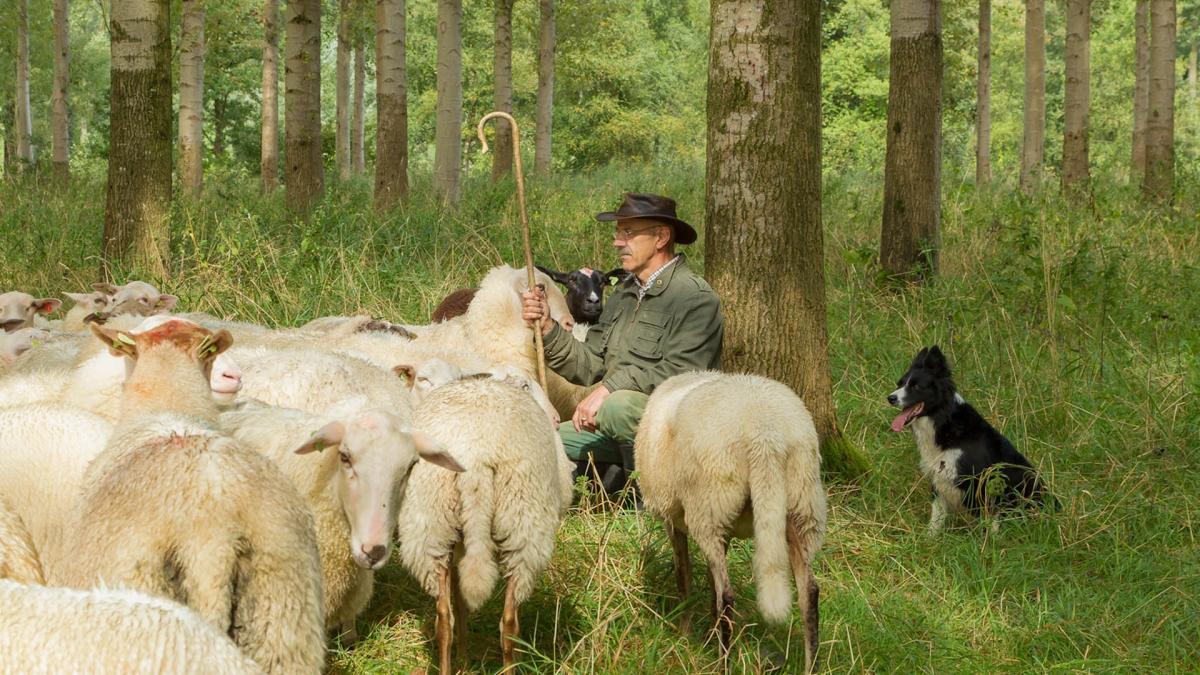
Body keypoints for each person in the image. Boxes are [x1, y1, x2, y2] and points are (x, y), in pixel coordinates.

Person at [521, 193, 724, 487]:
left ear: (661, 237)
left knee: (617, 407)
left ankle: (652, 501)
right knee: (538, 439)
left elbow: (683, 373)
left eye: (627, 232)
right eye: (618, 233)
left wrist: (609, 390)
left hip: (674, 428)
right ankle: (614, 483)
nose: (617, 241)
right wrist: (547, 326)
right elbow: (588, 364)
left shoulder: (694, 298)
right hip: (614, 426)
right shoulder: (623, 296)